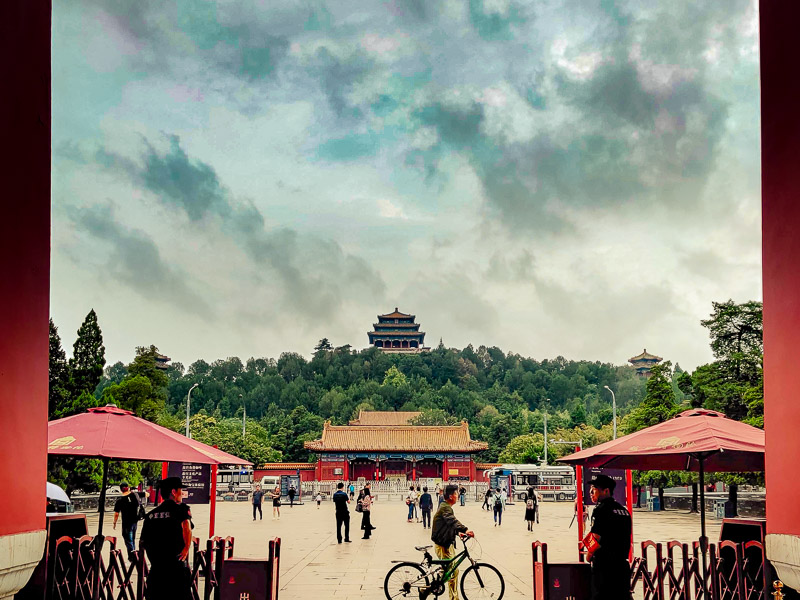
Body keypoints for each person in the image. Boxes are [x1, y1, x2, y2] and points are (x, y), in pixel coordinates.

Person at [139, 477, 193, 600]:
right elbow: (186, 526)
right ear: (173, 492)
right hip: (176, 568)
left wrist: (153, 558)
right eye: (180, 490)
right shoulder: (182, 509)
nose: (182, 493)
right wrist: (186, 547)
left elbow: (143, 541)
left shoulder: (151, 515)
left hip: (157, 570)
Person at [582, 474, 633, 600]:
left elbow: (595, 537)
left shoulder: (600, 509)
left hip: (604, 567)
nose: (591, 492)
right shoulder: (624, 511)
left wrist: (588, 556)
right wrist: (585, 541)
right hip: (622, 567)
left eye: (594, 489)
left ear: (606, 491)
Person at [431, 484, 474, 600]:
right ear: (451, 496)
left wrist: (457, 532)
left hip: (446, 543)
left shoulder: (445, 506)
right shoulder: (446, 507)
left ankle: (432, 590)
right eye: (456, 493)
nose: (458, 495)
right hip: (442, 545)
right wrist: (465, 529)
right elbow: (451, 520)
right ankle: (450, 597)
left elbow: (448, 524)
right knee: (452, 572)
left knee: (452, 571)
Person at [112, 482, 143, 559]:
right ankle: (134, 554)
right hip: (135, 521)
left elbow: (116, 513)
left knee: (128, 540)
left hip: (126, 523)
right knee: (132, 538)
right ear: (128, 487)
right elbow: (146, 494)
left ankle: (132, 556)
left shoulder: (120, 500)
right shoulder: (135, 495)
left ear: (121, 490)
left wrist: (114, 522)